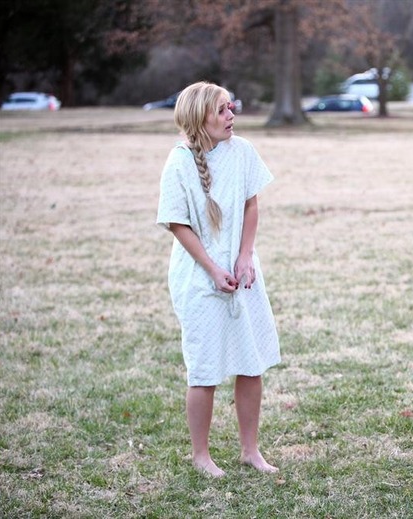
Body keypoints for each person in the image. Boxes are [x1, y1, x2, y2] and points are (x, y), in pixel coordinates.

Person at [156, 81, 281, 477]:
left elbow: (251, 205)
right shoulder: (178, 162)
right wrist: (212, 268)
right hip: (198, 274)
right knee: (205, 367)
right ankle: (201, 455)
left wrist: (245, 257)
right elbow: (178, 225)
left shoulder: (242, 151)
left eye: (232, 108)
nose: (232, 116)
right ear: (200, 118)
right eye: (223, 110)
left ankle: (250, 450)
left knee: (251, 361)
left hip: (242, 271)